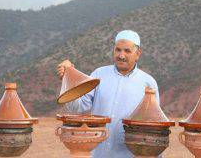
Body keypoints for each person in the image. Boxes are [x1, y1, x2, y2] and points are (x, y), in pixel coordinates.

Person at [57, 30, 160, 158]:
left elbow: (154, 125)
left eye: (127, 51)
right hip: (98, 154)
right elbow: (78, 108)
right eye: (118, 50)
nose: (121, 55)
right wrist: (69, 80)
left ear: (138, 53)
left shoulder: (148, 83)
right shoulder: (98, 75)